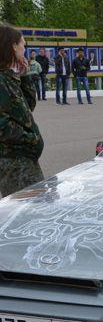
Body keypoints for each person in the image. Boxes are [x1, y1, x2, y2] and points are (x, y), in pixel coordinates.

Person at [0, 24, 44, 197]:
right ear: (13, 46)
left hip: (24, 161)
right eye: (23, 45)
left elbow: (28, 106)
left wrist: (24, 77)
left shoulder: (9, 78)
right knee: (25, 215)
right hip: (14, 164)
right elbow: (2, 125)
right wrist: (32, 140)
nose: (25, 50)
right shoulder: (2, 80)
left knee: (37, 209)